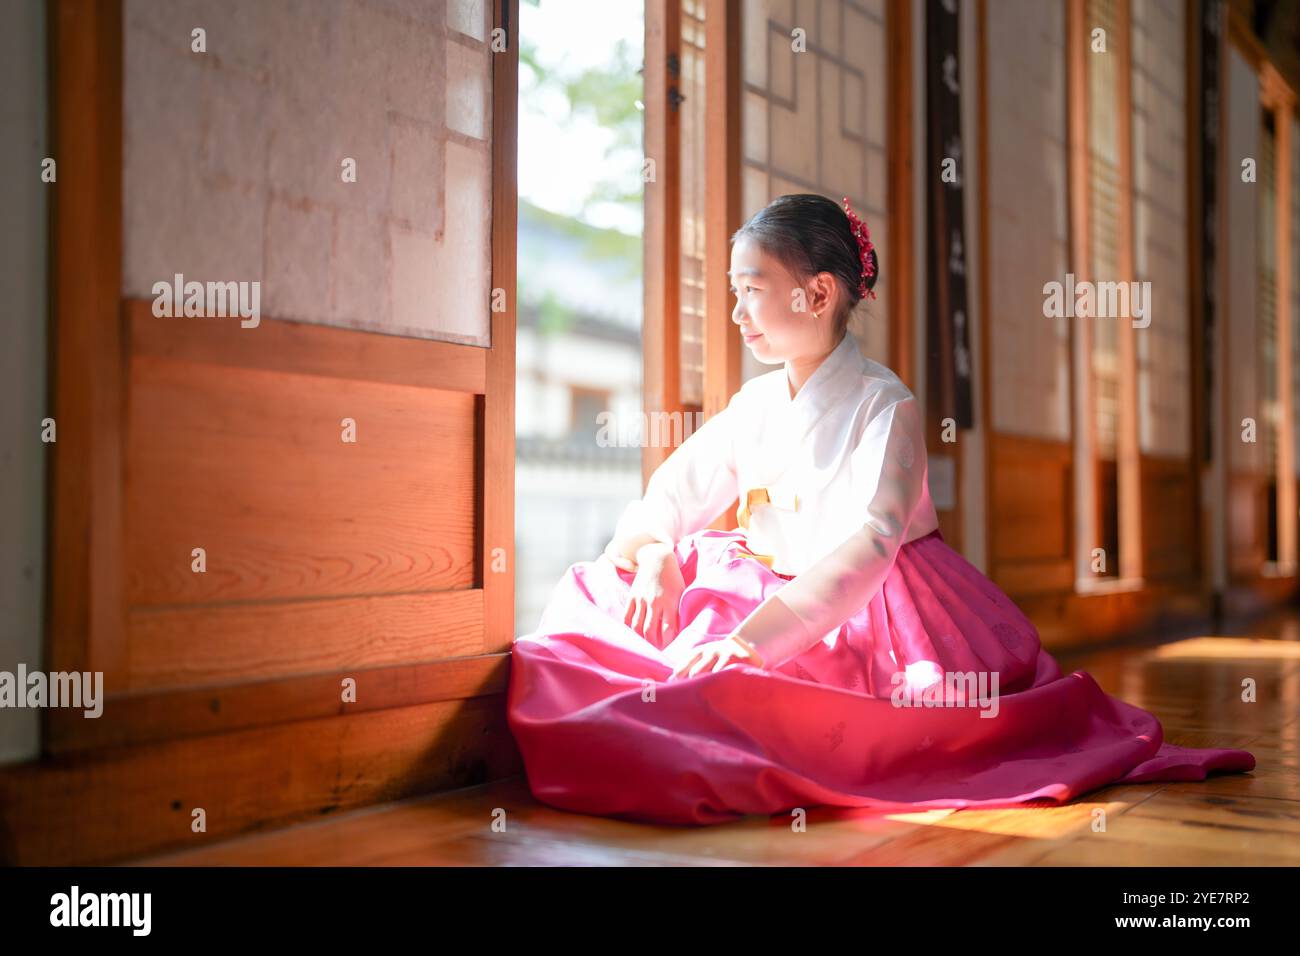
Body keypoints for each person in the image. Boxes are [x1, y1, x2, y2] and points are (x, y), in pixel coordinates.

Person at [506, 193, 1255, 825]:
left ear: (820, 292)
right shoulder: (753, 404)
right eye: (734, 292)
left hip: (870, 607)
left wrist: (753, 642)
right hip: (758, 581)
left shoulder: (884, 404)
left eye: (750, 289)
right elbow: (673, 493)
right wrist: (657, 555)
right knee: (595, 604)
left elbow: (870, 543)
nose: (736, 312)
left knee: (729, 694)